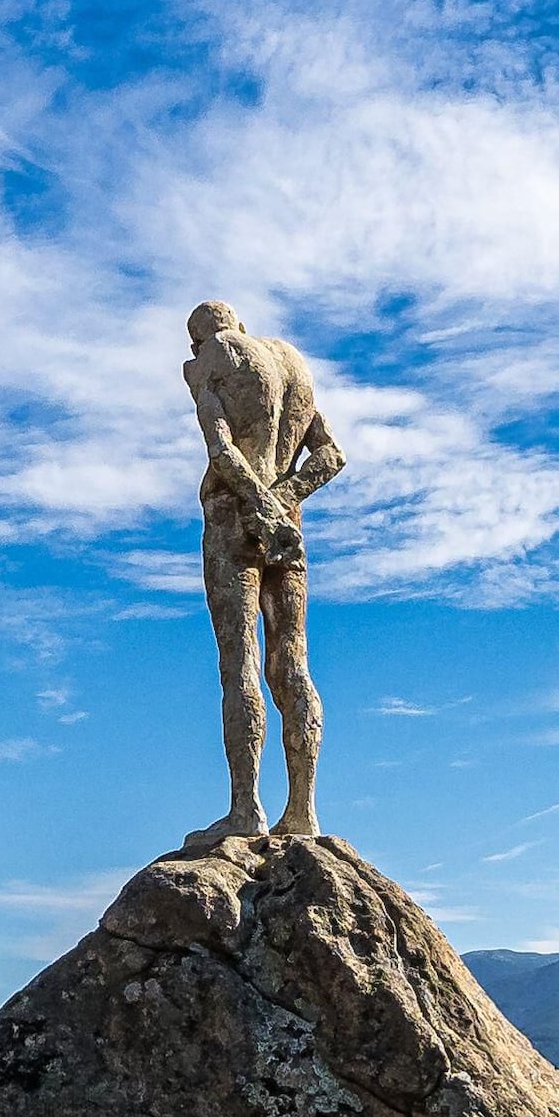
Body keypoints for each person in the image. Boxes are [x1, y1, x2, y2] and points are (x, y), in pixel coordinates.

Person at [185, 300, 344, 838]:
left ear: (197, 339)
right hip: (288, 529)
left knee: (241, 661)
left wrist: (258, 503)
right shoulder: (291, 363)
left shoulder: (212, 359)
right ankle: (302, 810)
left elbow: (222, 450)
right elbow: (329, 454)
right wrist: (285, 499)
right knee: (293, 661)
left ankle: (246, 809)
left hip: (236, 520)